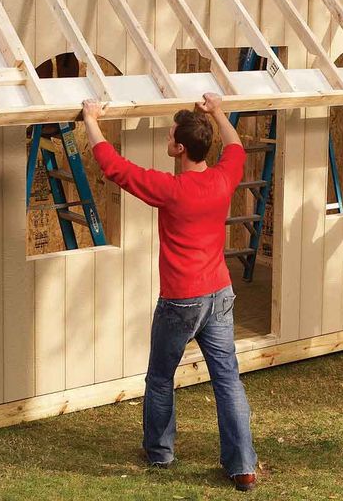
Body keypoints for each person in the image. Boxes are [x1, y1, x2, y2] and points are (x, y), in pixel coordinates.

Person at [82, 93, 259, 492]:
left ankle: (160, 452)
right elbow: (234, 146)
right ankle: (243, 467)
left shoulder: (171, 189)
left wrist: (91, 118)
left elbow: (115, 168)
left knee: (161, 378)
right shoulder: (223, 176)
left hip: (182, 300)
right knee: (228, 380)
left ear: (179, 148)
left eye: (171, 136)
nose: (168, 138)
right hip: (219, 294)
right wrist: (217, 111)